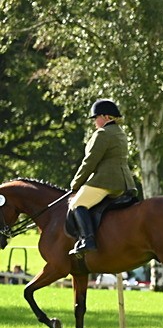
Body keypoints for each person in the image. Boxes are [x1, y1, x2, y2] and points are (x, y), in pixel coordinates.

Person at [67, 99, 138, 256]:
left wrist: (75, 184)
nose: (94, 122)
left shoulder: (103, 133)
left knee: (77, 204)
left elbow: (90, 162)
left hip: (106, 181)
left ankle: (88, 240)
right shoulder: (120, 132)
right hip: (125, 182)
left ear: (106, 116)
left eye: (96, 117)